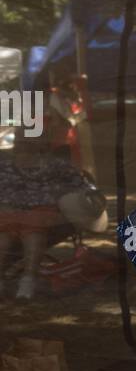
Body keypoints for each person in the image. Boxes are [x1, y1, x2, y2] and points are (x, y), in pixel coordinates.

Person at [0, 124, 95, 300]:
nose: (23, 145)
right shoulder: (4, 165)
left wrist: (75, 198)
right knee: (2, 239)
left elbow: (84, 185)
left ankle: (27, 281)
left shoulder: (55, 166)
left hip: (39, 211)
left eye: (29, 141)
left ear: (41, 144)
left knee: (33, 235)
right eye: (20, 140)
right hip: (8, 212)